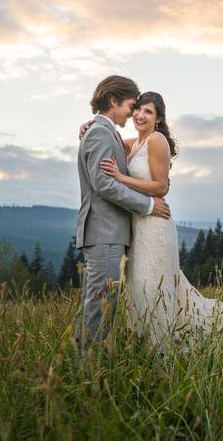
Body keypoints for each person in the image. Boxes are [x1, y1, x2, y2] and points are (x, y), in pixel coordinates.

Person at [84, 91, 223, 354]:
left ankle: (165, 348)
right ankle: (148, 345)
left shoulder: (157, 140)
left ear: (158, 119)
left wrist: (121, 179)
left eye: (148, 112)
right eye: (138, 109)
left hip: (155, 226)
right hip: (138, 228)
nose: (140, 115)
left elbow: (161, 186)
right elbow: (111, 136)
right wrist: (90, 125)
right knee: (140, 291)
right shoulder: (136, 144)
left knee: (153, 289)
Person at [71, 76, 172, 355]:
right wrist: (149, 205)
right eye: (131, 105)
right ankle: (86, 368)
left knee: (101, 302)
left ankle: (88, 363)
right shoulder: (102, 133)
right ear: (113, 101)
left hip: (112, 232)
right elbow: (104, 184)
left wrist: (90, 123)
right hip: (105, 232)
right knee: (99, 304)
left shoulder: (109, 132)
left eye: (143, 109)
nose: (134, 112)